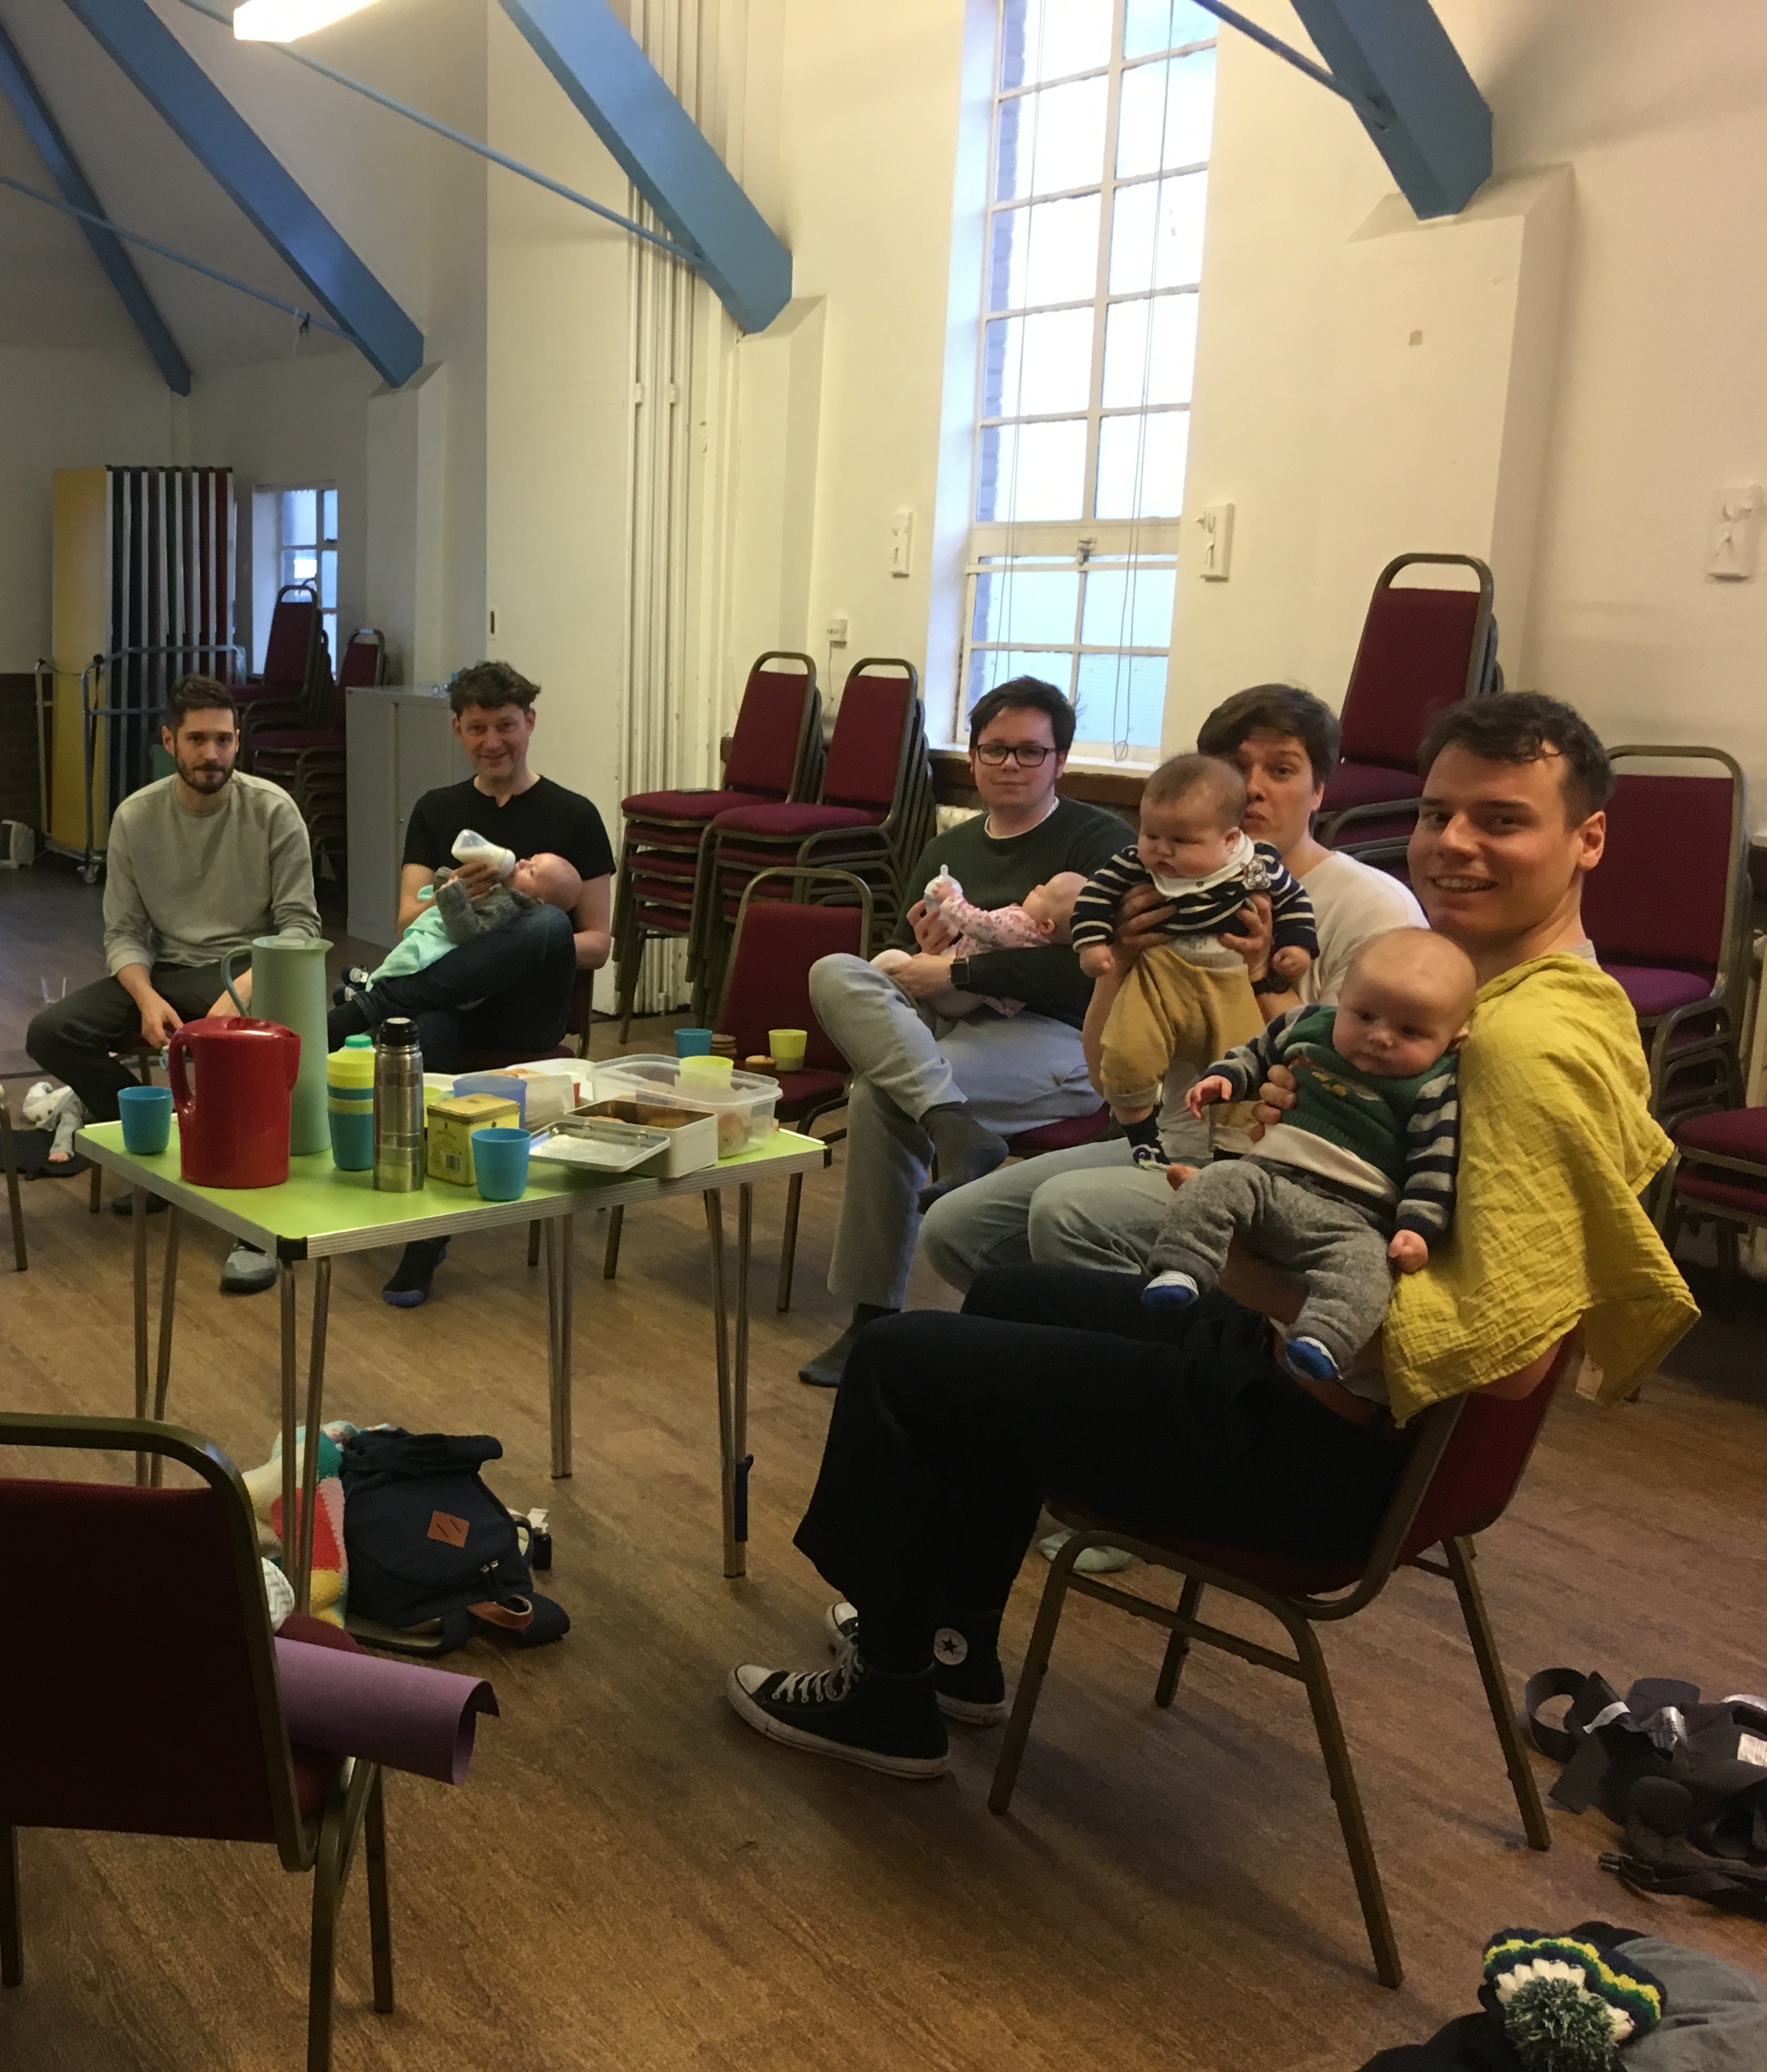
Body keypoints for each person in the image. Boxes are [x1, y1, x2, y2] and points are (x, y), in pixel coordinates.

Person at [726, 692, 1695, 1780]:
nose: (1453, 843)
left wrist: (1244, 1258)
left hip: (1309, 1448)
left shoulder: (1523, 1046)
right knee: (1010, 1291)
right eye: (1437, 813)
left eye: (1501, 820)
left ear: (1588, 839)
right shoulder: (1522, 1000)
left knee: (903, 1360)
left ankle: (886, 1695)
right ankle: (947, 1645)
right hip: (1302, 1391)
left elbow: (1502, 1362)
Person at [914, 683, 1427, 1307]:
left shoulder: (1372, 907)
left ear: (1319, 789)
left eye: (1282, 770)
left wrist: (1265, 975)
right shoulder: (1165, 886)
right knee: (955, 1228)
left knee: (1068, 1212)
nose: (1253, 788)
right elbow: (1105, 1076)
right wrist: (1119, 964)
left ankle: (1172, 1352)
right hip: (1172, 1140)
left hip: (1289, 1170)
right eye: (1234, 767)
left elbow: (1354, 1095)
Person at [796, 678, 1132, 1385]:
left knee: (879, 1098)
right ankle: (950, 1121)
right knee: (835, 971)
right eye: (995, 750)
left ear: (1060, 760)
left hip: (1059, 1034)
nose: (1010, 765)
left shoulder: (1100, 842)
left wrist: (963, 974)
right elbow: (901, 957)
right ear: (973, 757)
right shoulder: (947, 846)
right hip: (946, 1017)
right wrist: (924, 951)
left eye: (1030, 751)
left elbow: (1096, 971)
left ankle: (872, 1318)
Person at [22, 674, 318, 1294]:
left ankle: (253, 1225)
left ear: (238, 743)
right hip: (167, 973)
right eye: (197, 740)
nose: (212, 754)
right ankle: (160, 1154)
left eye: (224, 740)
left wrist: (238, 994)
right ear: (169, 741)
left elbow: (299, 926)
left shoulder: (273, 810)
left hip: (249, 971)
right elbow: (124, 933)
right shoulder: (136, 816)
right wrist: (146, 998)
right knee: (52, 1032)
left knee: (235, 1055)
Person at [354, 661, 615, 1307]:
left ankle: (370, 1005)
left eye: (505, 726)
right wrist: (454, 899)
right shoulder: (437, 810)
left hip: (528, 1009)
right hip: (449, 999)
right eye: (477, 728)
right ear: (457, 730)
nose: (492, 741)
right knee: (427, 1035)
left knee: (546, 924)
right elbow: (407, 922)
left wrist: (523, 938)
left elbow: (597, 942)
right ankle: (426, 1236)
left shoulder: (575, 816)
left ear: (530, 723)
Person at [1144, 927, 1471, 1380]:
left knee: (1368, 1267)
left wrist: (1417, 1229)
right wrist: (1225, 1078)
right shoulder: (1308, 1025)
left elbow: (1433, 1166)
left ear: (1453, 1040)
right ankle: (1182, 1267)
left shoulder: (1434, 1087)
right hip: (1270, 1182)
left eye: (1410, 1030)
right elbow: (1257, 1055)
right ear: (1340, 997)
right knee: (1215, 1183)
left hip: (1353, 1219)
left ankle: (1323, 1339)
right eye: (1364, 1015)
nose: (1380, 1037)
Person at [1067, 751, 1316, 1167]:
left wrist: (1296, 947)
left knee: (1242, 1063)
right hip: (1158, 974)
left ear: (1230, 840)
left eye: (1181, 842)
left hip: (1230, 980)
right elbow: (1094, 898)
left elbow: (1293, 902)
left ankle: (1233, 1154)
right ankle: (1140, 1135)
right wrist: (1097, 946)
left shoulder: (1255, 867)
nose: (1162, 852)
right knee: (1129, 1051)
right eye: (1151, 835)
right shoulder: (1136, 867)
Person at [341, 850, 584, 1009]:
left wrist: (453, 893)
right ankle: (371, 987)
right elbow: (413, 917)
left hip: (460, 970)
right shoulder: (500, 890)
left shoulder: (510, 908)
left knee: (410, 963)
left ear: (538, 902)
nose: (522, 862)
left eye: (531, 871)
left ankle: (371, 994)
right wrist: (452, 881)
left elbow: (469, 931)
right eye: (530, 859)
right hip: (446, 971)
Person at [872, 869, 1088, 1017]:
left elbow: (979, 924)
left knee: (891, 960)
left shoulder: (1019, 925)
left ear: (1046, 926)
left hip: (956, 993)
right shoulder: (1041, 942)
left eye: (1042, 893)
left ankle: (862, 979)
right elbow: (902, 940)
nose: (1037, 886)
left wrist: (951, 899)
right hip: (964, 998)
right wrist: (928, 950)